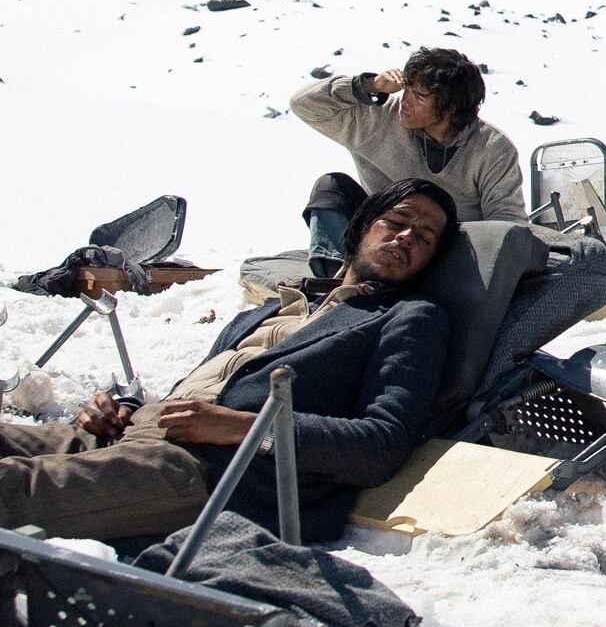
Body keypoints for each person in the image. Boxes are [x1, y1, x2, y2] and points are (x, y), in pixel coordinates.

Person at [0, 180, 460, 544]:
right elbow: (200, 394)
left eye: (424, 237)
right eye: (396, 221)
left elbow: (380, 444)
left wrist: (244, 429)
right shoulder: (273, 308)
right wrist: (122, 410)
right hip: (132, 439)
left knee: (14, 490)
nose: (406, 237)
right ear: (361, 227)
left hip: (211, 474)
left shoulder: (409, 318)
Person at [291, 49, 526, 266]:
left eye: (419, 97)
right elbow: (303, 104)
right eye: (407, 91)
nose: (406, 101)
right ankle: (336, 278)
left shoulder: (492, 148)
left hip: (445, 253)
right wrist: (370, 85)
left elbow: (506, 222)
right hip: (381, 240)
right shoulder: (378, 118)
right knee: (332, 187)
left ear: (450, 108)